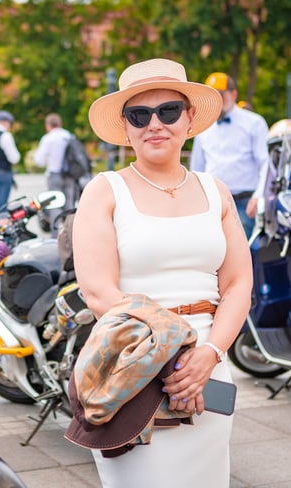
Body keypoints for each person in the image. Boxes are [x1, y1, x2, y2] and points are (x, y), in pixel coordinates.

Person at [73, 58, 252, 487]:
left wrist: (208, 355)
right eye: (140, 114)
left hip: (208, 367)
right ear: (126, 126)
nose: (155, 124)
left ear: (189, 118)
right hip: (133, 367)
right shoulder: (104, 190)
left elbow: (238, 283)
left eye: (168, 111)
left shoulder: (216, 190)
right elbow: (98, 292)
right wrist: (175, 358)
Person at [190, 72, 269, 239]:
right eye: (212, 95)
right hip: (213, 202)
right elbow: (197, 168)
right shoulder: (203, 126)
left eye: (220, 94)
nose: (216, 100)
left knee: (242, 255)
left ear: (233, 94)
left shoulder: (254, 122)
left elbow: (265, 163)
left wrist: (258, 196)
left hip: (244, 202)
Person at [33, 113, 76, 230]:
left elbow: (39, 161)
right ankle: (70, 233)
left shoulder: (48, 138)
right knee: (69, 205)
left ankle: (56, 234)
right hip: (70, 175)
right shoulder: (69, 136)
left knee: (55, 205)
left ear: (48, 125)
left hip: (55, 175)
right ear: (60, 124)